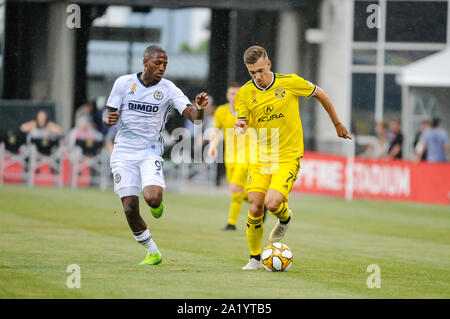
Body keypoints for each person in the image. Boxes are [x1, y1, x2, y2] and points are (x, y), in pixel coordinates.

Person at [234, 45, 351, 270]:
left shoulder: (289, 82)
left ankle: (285, 218)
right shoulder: (245, 93)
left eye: (260, 70)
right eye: (252, 72)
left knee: (272, 203)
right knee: (255, 206)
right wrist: (240, 126)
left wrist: (336, 124)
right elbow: (243, 123)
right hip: (261, 157)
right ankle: (254, 259)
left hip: (288, 155)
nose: (257, 76)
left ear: (268, 65)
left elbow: (320, 93)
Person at [102, 45, 208, 266]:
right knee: (130, 208)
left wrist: (200, 107)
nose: (162, 68)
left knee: (152, 198)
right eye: (157, 63)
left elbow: (194, 117)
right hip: (123, 152)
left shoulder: (169, 89)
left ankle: (156, 203)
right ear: (145, 62)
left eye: (165, 64)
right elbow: (108, 113)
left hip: (150, 151)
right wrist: (107, 119)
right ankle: (152, 252)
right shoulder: (123, 83)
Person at [208, 83, 266, 231]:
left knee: (235, 187)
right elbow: (216, 130)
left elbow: (260, 127)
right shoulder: (221, 111)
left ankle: (231, 224)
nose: (234, 96)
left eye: (237, 93)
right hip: (230, 156)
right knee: (238, 191)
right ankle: (260, 204)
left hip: (248, 153)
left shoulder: (249, 110)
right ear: (227, 95)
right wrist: (213, 146)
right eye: (231, 93)